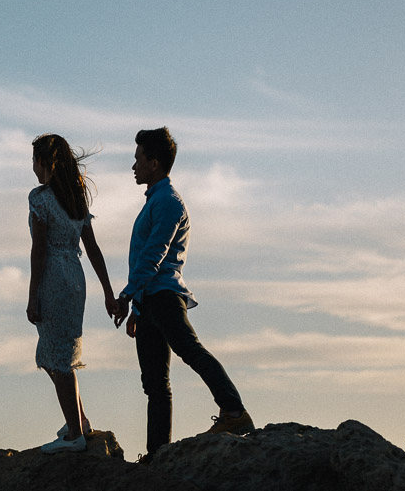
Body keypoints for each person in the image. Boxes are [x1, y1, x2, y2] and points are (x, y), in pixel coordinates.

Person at [113, 127, 254, 458]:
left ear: (155, 162)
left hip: (163, 296)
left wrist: (127, 295)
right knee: (155, 384)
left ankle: (234, 412)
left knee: (190, 350)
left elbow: (154, 255)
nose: (134, 166)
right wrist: (135, 309)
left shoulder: (169, 203)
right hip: (148, 301)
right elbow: (146, 260)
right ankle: (157, 454)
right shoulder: (154, 202)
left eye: (138, 159)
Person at [27, 133, 120, 454]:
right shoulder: (76, 198)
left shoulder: (40, 199)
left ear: (45, 162)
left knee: (58, 357)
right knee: (59, 354)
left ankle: (74, 436)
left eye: (35, 160)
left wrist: (32, 295)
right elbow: (92, 249)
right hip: (76, 280)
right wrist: (108, 292)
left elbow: (38, 250)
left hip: (53, 277)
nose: (33, 167)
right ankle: (78, 420)